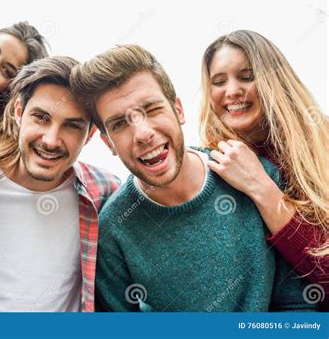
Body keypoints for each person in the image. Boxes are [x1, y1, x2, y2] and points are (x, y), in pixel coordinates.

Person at [70, 44, 315, 312]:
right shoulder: (112, 231)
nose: (142, 134)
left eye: (151, 109)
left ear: (178, 110)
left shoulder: (257, 179)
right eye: (120, 124)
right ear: (108, 144)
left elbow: (298, 306)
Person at [0, 56, 120, 312]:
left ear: (88, 135)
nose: (51, 140)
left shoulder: (105, 192)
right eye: (41, 118)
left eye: (71, 126)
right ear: (19, 113)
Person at [198, 30, 329, 308]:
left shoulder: (322, 144)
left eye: (246, 77)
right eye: (219, 82)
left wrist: (262, 187)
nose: (232, 91)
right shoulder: (210, 168)